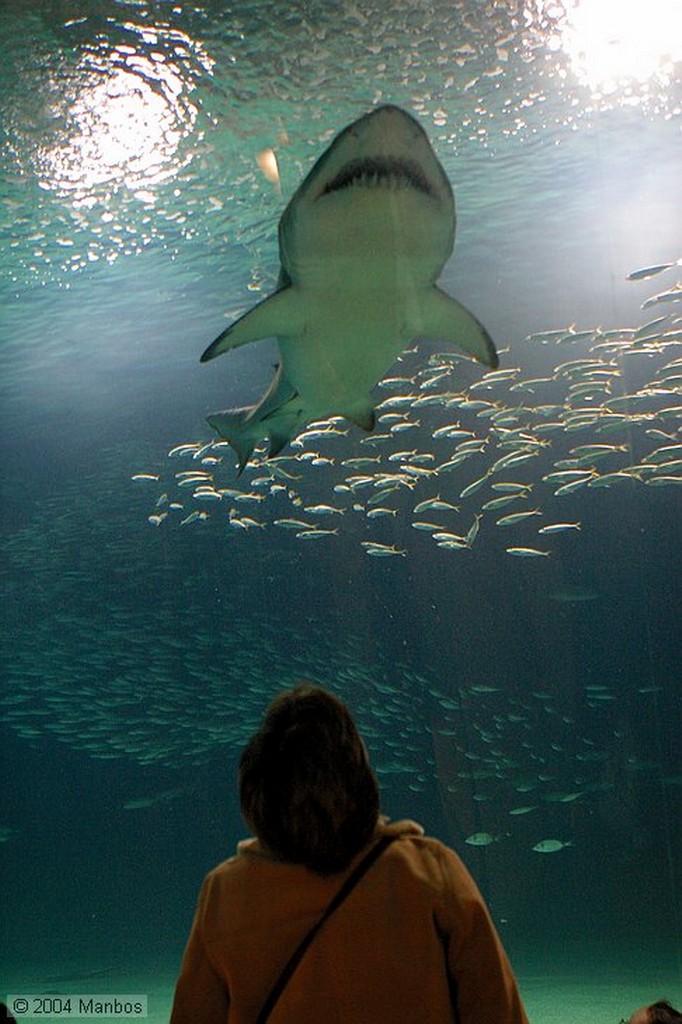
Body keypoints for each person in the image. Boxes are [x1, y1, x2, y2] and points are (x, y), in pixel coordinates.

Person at [170, 684, 529, 1024]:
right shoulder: (430, 872)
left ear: (257, 782)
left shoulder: (224, 894)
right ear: (358, 777)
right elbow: (498, 1011)